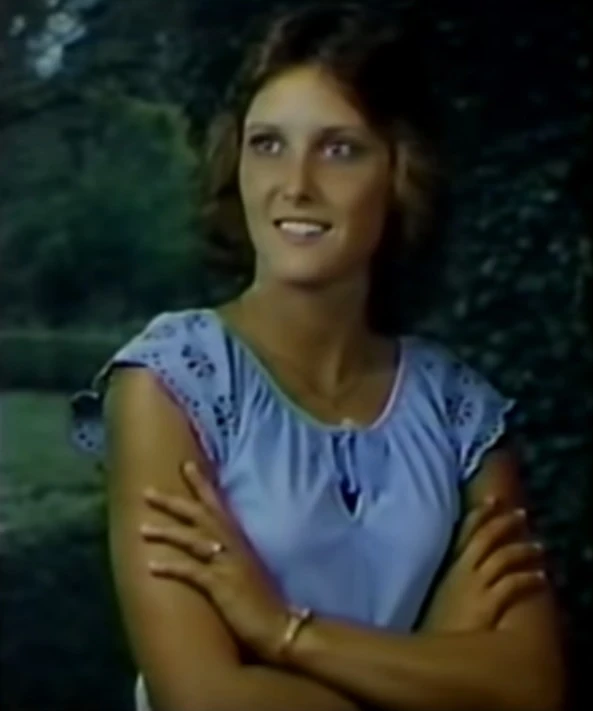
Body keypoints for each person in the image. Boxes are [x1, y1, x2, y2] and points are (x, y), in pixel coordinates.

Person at [70, 4, 566, 710]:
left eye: (339, 149)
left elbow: (529, 686)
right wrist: (436, 671)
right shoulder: (172, 383)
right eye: (267, 144)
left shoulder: (459, 413)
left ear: (401, 173)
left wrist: (283, 632)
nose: (295, 184)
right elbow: (203, 695)